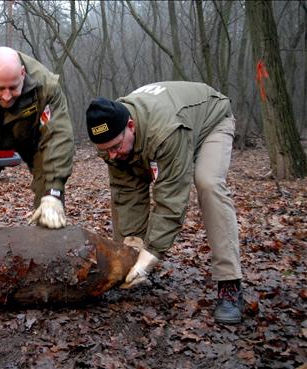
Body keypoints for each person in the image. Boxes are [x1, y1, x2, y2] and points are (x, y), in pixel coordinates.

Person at [85, 81, 244, 324]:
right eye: (105, 150)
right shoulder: (111, 140)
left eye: (115, 147)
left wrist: (152, 254)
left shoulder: (166, 131)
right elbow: (126, 193)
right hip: (158, 132)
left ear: (131, 126)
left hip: (210, 121)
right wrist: (131, 246)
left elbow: (171, 200)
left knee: (208, 183)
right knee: (127, 190)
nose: (112, 155)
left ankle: (229, 283)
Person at [0, 46, 74, 230]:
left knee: (49, 191)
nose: (7, 96)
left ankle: (48, 236)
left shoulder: (46, 86)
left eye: (13, 87)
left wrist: (54, 193)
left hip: (31, 134)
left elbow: (57, 138)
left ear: (22, 73)